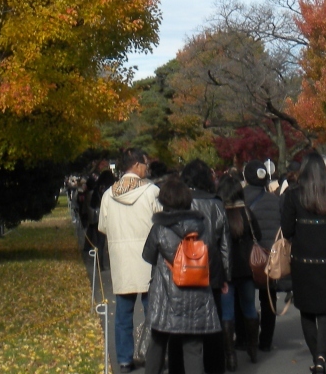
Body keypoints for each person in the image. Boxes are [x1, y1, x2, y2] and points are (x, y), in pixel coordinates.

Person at [141, 175, 221, 374]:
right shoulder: (202, 227)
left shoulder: (159, 229)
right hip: (197, 293)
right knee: (193, 348)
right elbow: (211, 256)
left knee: (157, 343)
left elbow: (148, 256)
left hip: (165, 294)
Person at [282, 152, 326, 374]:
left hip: (303, 259)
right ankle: (322, 356)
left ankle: (316, 357)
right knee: (325, 311)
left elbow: (287, 229)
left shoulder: (294, 195)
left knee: (307, 309)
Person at [99, 147, 163, 372]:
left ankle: (124, 359)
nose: (147, 168)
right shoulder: (152, 192)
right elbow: (161, 223)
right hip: (148, 258)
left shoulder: (109, 194)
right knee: (152, 311)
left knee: (123, 314)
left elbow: (103, 226)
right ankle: (152, 355)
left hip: (122, 260)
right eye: (145, 164)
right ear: (136, 165)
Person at [181, 160, 232, 374]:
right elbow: (225, 243)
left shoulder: (181, 202)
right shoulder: (216, 204)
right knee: (213, 323)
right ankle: (215, 367)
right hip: (212, 269)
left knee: (186, 325)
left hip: (185, 269)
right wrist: (227, 276)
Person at [216, 174, 261, 367]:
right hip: (247, 270)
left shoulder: (219, 214)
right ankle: (252, 348)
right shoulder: (247, 213)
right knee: (249, 307)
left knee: (227, 313)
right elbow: (258, 235)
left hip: (226, 271)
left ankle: (230, 356)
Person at [243, 159, 283, 353]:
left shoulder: (239, 198)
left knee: (245, 297)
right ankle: (266, 340)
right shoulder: (276, 200)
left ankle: (245, 337)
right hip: (269, 257)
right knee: (268, 297)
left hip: (245, 257)